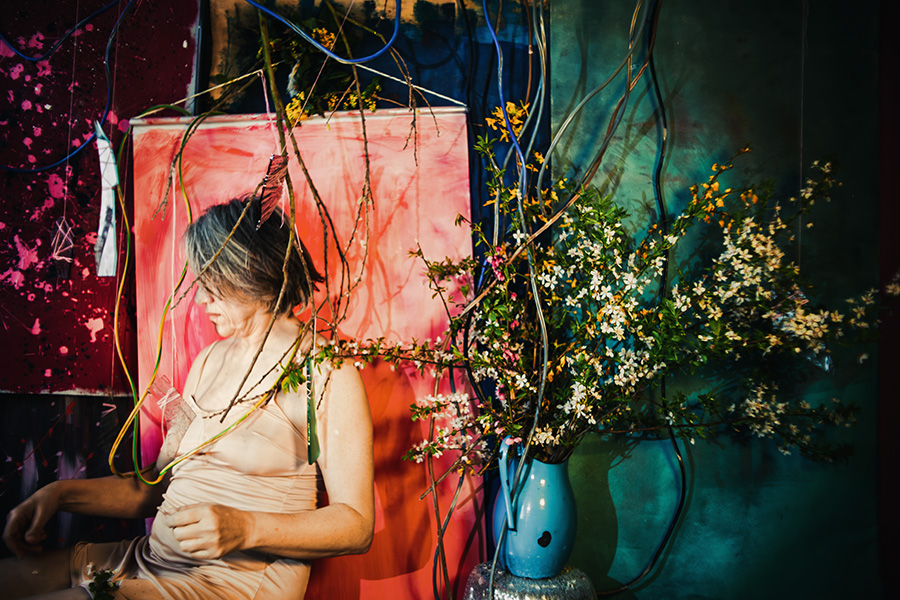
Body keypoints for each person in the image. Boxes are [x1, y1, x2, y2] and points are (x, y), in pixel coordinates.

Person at [0, 196, 374, 599]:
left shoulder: (324, 372)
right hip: (147, 560)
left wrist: (246, 528)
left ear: (250, 271)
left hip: (222, 587)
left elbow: (356, 525)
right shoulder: (208, 361)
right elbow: (154, 487)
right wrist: (59, 494)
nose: (199, 300)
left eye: (211, 284)